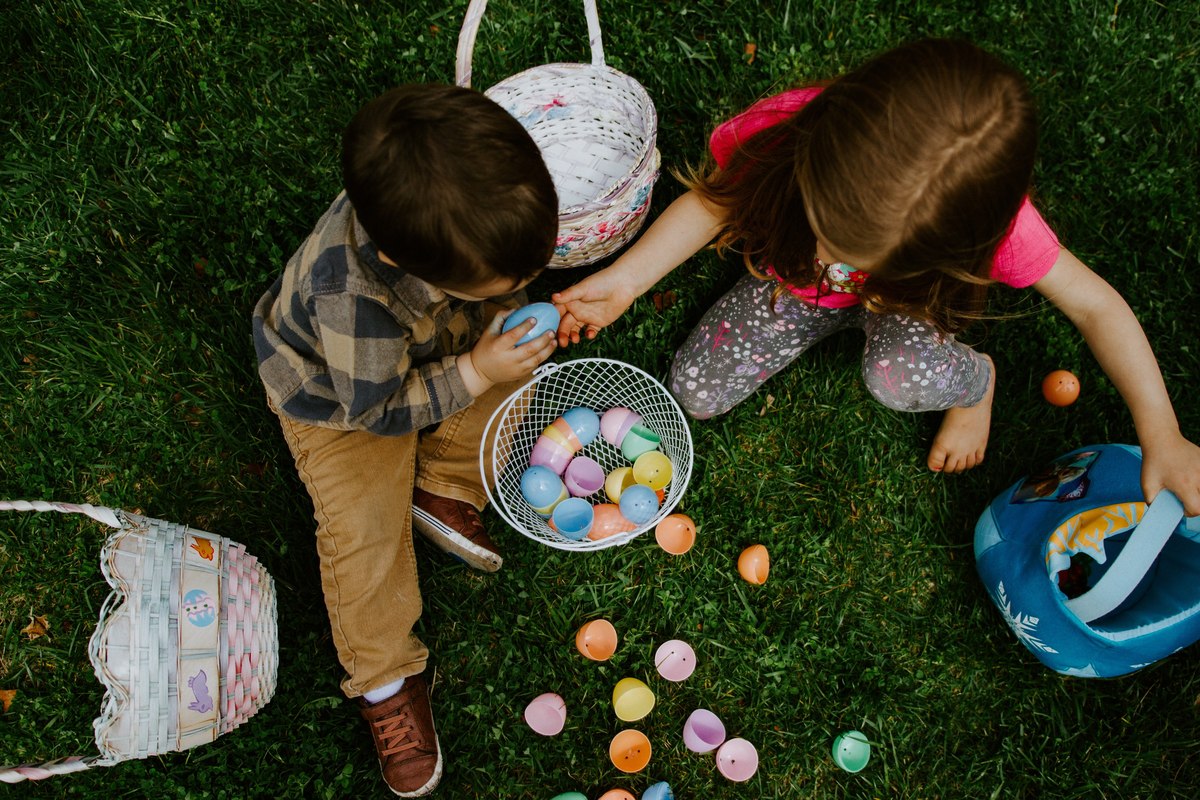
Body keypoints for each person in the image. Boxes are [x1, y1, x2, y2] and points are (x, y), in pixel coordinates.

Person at [552, 38, 1200, 515]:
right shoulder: (790, 128)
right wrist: (629, 279)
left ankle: (976, 384)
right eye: (824, 220)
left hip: (908, 312)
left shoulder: (1001, 229)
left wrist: (1162, 432)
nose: (839, 255)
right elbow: (714, 202)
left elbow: (1098, 308)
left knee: (894, 377)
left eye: (867, 253)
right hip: (791, 288)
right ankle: (822, 314)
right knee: (693, 392)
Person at [252, 84, 558, 797]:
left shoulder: (451, 216)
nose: (525, 285)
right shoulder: (352, 301)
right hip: (343, 402)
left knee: (527, 372)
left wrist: (509, 325)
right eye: (506, 280)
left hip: (429, 348)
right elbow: (381, 411)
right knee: (363, 530)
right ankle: (386, 674)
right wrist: (479, 367)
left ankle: (442, 483)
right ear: (405, 258)